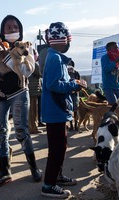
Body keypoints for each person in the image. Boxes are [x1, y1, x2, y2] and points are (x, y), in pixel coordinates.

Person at [0, 15, 42, 188]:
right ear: (2, 30)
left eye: (15, 27)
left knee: (21, 130)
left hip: (19, 93)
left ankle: (34, 169)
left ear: (20, 29)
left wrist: (6, 56)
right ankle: (4, 172)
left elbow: (27, 71)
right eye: (8, 27)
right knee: (0, 132)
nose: (11, 29)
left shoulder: (27, 50)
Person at [41, 22, 87, 198]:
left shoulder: (55, 56)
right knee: (57, 149)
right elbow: (53, 84)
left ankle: (57, 177)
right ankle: (48, 185)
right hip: (55, 112)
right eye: (68, 38)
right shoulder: (54, 58)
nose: (69, 42)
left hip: (57, 111)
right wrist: (73, 85)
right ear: (61, 40)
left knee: (61, 146)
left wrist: (72, 84)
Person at [28, 59, 43, 134]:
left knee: (30, 111)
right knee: (33, 111)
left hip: (29, 89)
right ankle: (33, 128)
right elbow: (39, 74)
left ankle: (31, 127)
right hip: (33, 90)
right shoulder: (34, 64)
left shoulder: (26, 62)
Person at [67, 60, 80, 131]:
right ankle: (71, 125)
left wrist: (76, 90)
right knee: (69, 110)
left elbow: (79, 83)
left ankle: (75, 125)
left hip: (75, 94)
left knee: (75, 110)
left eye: (70, 64)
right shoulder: (66, 73)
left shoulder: (76, 73)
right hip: (69, 93)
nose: (69, 66)